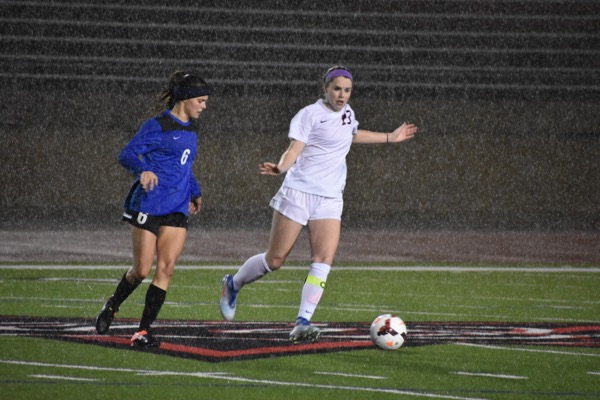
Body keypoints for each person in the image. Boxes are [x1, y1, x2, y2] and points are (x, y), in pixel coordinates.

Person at [219, 66, 417, 343]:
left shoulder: (348, 113)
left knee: (323, 260)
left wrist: (389, 137)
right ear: (325, 88)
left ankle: (302, 322)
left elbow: (351, 134)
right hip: (298, 191)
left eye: (347, 90)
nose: (342, 95)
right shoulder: (309, 115)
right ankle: (233, 283)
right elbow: (294, 149)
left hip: (330, 197)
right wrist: (280, 167)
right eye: (337, 89)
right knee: (275, 260)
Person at [95, 71, 210, 348]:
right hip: (148, 203)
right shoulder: (157, 126)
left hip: (177, 207)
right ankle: (112, 304)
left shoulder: (191, 130)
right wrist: (142, 169)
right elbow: (126, 154)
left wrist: (195, 191)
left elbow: (184, 165)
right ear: (185, 98)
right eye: (201, 100)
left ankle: (143, 331)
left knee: (166, 269)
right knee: (142, 269)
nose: (204, 106)